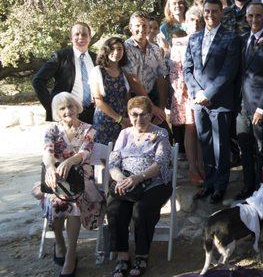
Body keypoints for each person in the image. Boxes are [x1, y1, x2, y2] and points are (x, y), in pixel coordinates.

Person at [36, 92, 104, 277]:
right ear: (57, 112)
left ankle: (71, 255)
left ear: (77, 108)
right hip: (56, 179)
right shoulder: (52, 130)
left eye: (70, 106)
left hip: (81, 179)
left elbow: (85, 152)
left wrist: (69, 161)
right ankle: (59, 242)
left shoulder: (89, 129)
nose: (68, 111)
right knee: (56, 201)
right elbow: (47, 151)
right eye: (62, 108)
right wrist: (50, 167)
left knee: (73, 202)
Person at [184, 0, 242, 204]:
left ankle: (220, 186)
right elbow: (187, 69)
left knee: (220, 147)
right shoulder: (193, 38)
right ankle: (208, 183)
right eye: (207, 11)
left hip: (219, 101)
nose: (210, 15)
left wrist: (208, 94)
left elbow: (229, 72)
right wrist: (196, 93)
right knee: (205, 143)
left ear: (221, 13)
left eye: (214, 11)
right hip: (199, 102)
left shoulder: (232, 38)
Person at [107, 96, 173, 277]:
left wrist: (138, 177)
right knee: (114, 207)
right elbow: (113, 161)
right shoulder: (124, 134)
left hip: (155, 183)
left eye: (143, 115)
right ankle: (122, 256)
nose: (139, 119)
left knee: (141, 209)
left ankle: (142, 255)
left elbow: (160, 163)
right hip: (127, 182)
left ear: (151, 115)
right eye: (134, 115)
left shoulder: (160, 133)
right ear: (128, 114)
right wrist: (120, 178)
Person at [235, 3, 263, 200]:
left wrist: (262, 107)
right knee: (244, 147)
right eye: (250, 16)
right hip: (241, 105)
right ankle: (247, 186)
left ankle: (262, 189)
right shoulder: (242, 39)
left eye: (258, 16)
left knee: (261, 149)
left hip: (258, 105)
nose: (254, 20)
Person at [32, 22, 97, 124]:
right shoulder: (61, 56)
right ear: (71, 38)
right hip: (69, 114)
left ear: (90, 37)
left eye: (84, 34)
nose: (81, 37)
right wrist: (52, 107)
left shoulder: (96, 59)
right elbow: (37, 80)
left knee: (92, 140)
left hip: (93, 114)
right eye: (77, 34)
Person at [170, 7, 205, 186]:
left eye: (199, 19)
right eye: (192, 19)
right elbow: (175, 71)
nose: (196, 23)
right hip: (185, 93)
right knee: (191, 129)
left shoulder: (207, 40)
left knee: (202, 130)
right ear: (186, 22)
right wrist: (184, 91)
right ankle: (193, 168)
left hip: (204, 93)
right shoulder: (179, 43)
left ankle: (202, 166)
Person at [122, 12, 168, 124]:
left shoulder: (156, 49)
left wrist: (161, 108)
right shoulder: (125, 49)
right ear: (130, 27)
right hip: (133, 100)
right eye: (137, 25)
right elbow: (133, 80)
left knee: (162, 135)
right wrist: (151, 108)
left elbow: (161, 77)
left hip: (153, 97)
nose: (141, 29)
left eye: (144, 26)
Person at [91, 37, 136, 146]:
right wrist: (119, 119)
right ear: (106, 50)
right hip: (104, 122)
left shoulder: (124, 72)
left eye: (120, 49)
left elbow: (127, 98)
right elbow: (98, 101)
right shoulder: (97, 71)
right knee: (102, 158)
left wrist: (129, 118)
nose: (116, 52)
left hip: (124, 122)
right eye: (112, 49)